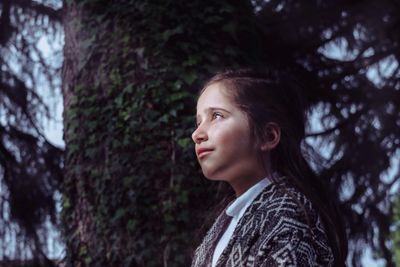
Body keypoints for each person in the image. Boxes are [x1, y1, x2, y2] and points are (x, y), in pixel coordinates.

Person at [190, 68, 348, 267]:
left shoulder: (289, 215)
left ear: (268, 136)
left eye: (217, 116)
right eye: (198, 122)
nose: (197, 134)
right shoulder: (226, 222)